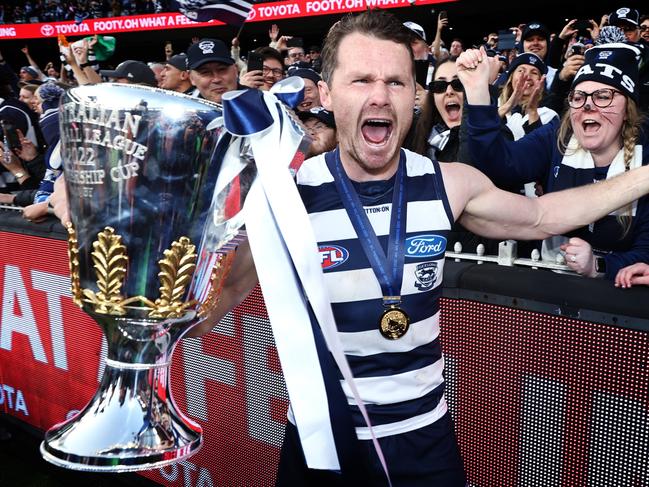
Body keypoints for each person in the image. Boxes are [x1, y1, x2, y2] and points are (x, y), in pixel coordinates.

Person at [184, 11, 649, 486]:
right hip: (322, 437)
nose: (380, 96)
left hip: (424, 439)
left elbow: (546, 215)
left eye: (396, 82)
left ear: (414, 95)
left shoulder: (449, 184)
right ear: (326, 94)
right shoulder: (286, 195)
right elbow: (205, 318)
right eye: (360, 80)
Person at [462, 42, 649, 280]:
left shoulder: (646, 152)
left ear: (627, 110)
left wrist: (599, 265)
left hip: (619, 301)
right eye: (579, 97)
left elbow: (646, 252)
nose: (588, 105)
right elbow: (499, 165)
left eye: (603, 96)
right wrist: (479, 94)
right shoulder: (558, 135)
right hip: (553, 285)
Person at [186, 38, 238, 103]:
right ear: (191, 78)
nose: (216, 79)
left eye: (222, 69)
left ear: (236, 70)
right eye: (205, 72)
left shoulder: (254, 102)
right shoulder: (185, 109)